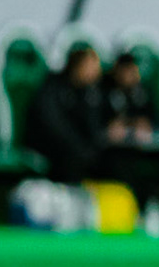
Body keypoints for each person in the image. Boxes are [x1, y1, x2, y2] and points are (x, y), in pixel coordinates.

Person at [22, 46, 106, 181]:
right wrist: (82, 149)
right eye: (90, 67)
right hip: (47, 147)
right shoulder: (53, 88)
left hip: (73, 148)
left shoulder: (88, 93)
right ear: (77, 66)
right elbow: (54, 126)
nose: (96, 72)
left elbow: (92, 127)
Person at [101, 52, 156, 144]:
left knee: (142, 133)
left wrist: (137, 121)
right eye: (124, 71)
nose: (127, 75)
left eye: (131, 71)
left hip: (133, 130)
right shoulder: (105, 88)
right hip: (109, 134)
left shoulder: (141, 90)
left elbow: (148, 114)